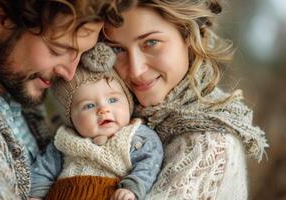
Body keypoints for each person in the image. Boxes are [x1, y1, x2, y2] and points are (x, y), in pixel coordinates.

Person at [0, 0, 135, 199]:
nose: (69, 74)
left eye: (81, 54)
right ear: (4, 19)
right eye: (59, 50)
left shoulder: (14, 88)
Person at [103, 0, 269, 199]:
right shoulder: (112, 114)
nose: (136, 70)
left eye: (151, 42)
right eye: (117, 49)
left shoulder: (209, 144)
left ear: (187, 35)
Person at [28, 43, 163, 200]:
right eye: (89, 106)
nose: (103, 110)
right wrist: (35, 195)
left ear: (128, 102)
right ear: (71, 118)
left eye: (113, 99)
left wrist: (132, 188)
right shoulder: (64, 141)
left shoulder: (136, 136)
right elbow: (43, 169)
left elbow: (149, 163)